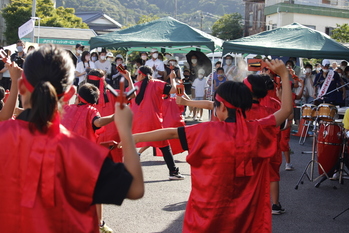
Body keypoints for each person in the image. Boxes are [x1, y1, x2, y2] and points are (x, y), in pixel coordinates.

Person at [131, 59, 293, 232]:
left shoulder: (205, 130)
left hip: (209, 214)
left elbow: (171, 132)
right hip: (245, 216)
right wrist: (284, 75)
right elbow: (286, 111)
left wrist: (130, 138)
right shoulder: (258, 128)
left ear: (221, 107)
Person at [0, 44, 144, 232]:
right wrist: (125, 131)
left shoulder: (5, 134)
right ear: (69, 93)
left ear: (21, 87)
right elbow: (135, 188)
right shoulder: (81, 152)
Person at [61, 83, 115, 233]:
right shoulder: (92, 110)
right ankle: (99, 224)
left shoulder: (66, 109)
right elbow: (97, 123)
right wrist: (114, 117)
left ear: (78, 97)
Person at [130, 65, 184, 180]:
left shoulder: (134, 86)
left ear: (141, 75)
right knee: (164, 146)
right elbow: (174, 90)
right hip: (152, 120)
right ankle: (173, 172)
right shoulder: (156, 83)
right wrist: (172, 78)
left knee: (130, 145)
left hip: (136, 121)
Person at [87, 68, 134, 163]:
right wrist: (128, 78)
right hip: (114, 134)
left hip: (94, 135)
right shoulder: (113, 93)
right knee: (116, 163)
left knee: (96, 166)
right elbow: (132, 94)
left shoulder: (84, 96)